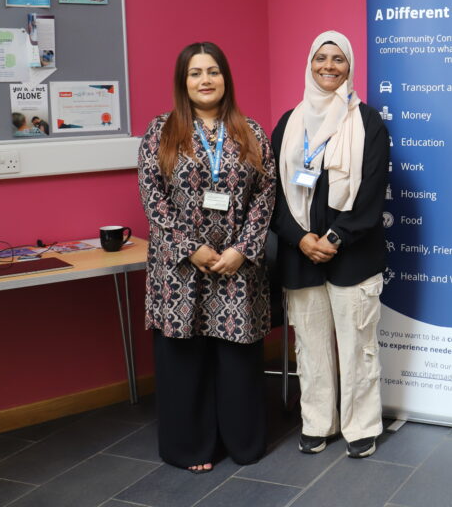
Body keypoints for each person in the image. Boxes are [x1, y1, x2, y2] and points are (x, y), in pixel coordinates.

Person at [137, 41, 276, 473]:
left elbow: (266, 194)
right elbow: (152, 198)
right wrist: (190, 247)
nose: (205, 80)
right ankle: (191, 446)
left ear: (225, 78)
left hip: (237, 267)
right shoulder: (160, 131)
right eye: (195, 73)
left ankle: (242, 442)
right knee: (185, 362)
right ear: (183, 81)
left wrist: (243, 249)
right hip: (180, 270)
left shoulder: (251, 132)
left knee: (237, 363)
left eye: (212, 71)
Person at [271, 30, 389, 459]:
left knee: (358, 345)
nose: (328, 67)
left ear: (350, 67)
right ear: (309, 63)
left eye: (338, 59)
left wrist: (335, 238)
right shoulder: (288, 124)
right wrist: (301, 239)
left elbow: (372, 193)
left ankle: (361, 425)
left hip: (353, 254)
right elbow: (274, 196)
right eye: (321, 58)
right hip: (299, 253)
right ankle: (317, 421)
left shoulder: (369, 123)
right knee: (311, 346)